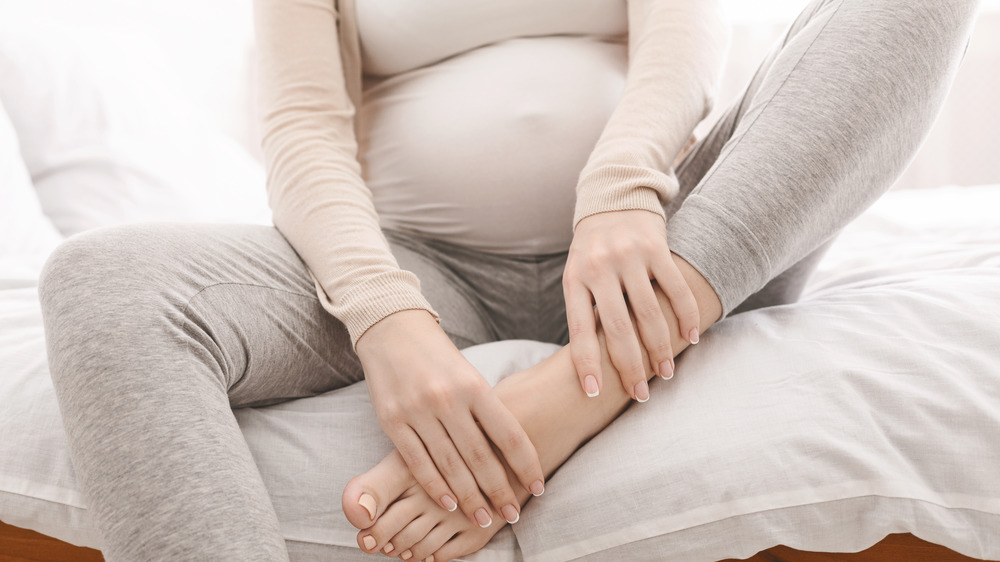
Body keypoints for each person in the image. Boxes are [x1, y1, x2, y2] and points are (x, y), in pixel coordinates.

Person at [37, 0, 978, 560]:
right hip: (423, 273)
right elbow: (301, 130)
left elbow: (680, 52)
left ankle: (574, 390)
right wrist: (385, 317)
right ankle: (609, 364)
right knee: (104, 282)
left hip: (668, 245)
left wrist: (620, 195)